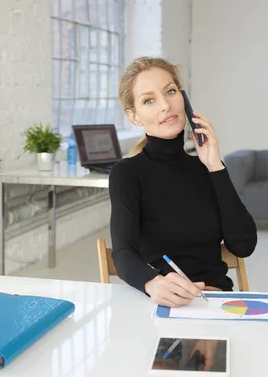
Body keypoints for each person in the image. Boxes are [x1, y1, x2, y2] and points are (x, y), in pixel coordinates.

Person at [109, 56, 257, 308]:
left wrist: (215, 166)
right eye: (149, 100)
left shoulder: (207, 169)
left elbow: (243, 245)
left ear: (183, 98)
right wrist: (153, 283)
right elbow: (123, 253)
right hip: (164, 305)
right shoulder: (127, 173)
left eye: (170, 91)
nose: (165, 105)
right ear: (134, 116)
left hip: (216, 303)